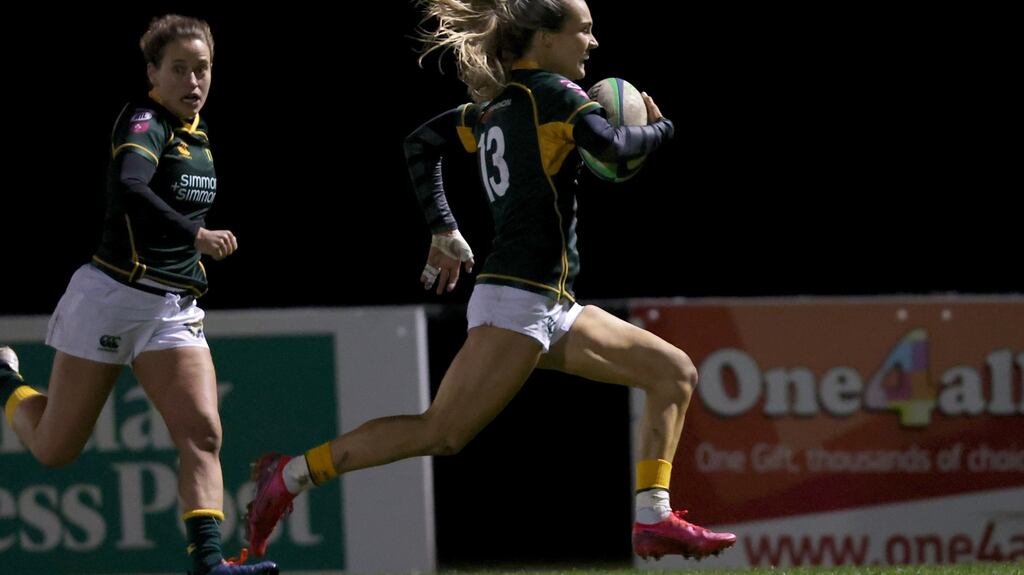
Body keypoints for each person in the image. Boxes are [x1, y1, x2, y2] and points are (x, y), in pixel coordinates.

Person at [243, 0, 735, 563]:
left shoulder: (494, 107)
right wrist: (661, 127)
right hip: (517, 301)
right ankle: (290, 476)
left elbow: (420, 144)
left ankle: (653, 519)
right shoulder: (552, 95)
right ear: (545, 39)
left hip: (551, 301)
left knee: (673, 373)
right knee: (441, 432)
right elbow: (614, 146)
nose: (592, 43)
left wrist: (443, 229)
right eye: (585, 30)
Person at [0, 14, 277, 575]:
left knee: (202, 434)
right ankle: (4, 377)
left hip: (172, 308)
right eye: (179, 69)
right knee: (56, 450)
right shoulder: (146, 119)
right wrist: (195, 234)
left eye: (202, 69)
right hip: (113, 296)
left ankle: (210, 563)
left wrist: (187, 247)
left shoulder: (196, 135)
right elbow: (129, 185)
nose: (193, 80)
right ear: (153, 73)